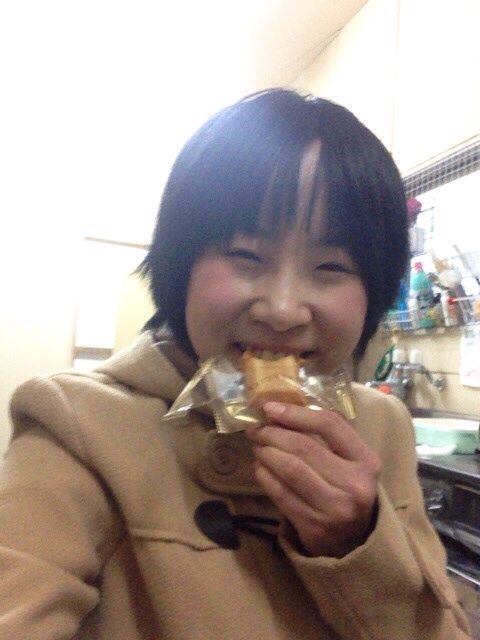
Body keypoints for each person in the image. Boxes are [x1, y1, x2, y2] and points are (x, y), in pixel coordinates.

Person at [1, 88, 470, 639]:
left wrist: (357, 544)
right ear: (181, 264)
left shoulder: (380, 426)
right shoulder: (76, 423)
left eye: (331, 266)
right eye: (245, 255)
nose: (283, 309)